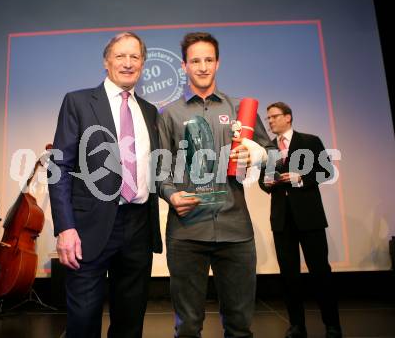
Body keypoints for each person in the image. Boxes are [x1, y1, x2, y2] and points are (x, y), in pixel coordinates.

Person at [158, 32, 274, 338]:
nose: (202, 66)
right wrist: (171, 195)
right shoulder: (168, 114)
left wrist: (260, 155)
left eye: (208, 59)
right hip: (186, 232)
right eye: (195, 60)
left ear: (218, 63)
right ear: (183, 66)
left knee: (239, 327)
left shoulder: (241, 109)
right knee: (188, 327)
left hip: (235, 230)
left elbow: (272, 159)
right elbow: (160, 170)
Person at [48, 32, 162, 338]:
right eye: (120, 55)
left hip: (138, 225)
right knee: (83, 322)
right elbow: (59, 165)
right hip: (87, 227)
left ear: (142, 63)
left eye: (135, 57)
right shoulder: (79, 102)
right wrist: (65, 227)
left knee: (130, 322)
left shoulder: (150, 111)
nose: (128, 63)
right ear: (106, 61)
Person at [259, 102, 342, 338]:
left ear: (288, 117)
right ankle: (296, 325)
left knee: (320, 273)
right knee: (289, 275)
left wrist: (300, 177)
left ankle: (332, 325)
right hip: (282, 220)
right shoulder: (268, 149)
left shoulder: (309, 141)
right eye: (268, 118)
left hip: (310, 218)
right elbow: (262, 182)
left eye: (274, 117)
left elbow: (326, 172)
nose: (271, 121)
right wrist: (267, 183)